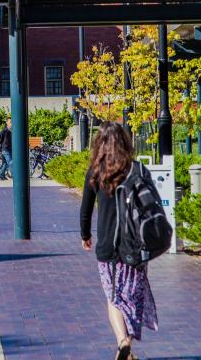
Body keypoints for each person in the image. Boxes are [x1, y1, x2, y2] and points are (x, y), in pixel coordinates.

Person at [79, 122, 158, 360]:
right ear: (125, 142)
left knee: (113, 298)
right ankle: (127, 347)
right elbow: (152, 206)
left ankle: (122, 341)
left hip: (107, 248)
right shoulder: (138, 170)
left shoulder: (95, 172)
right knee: (133, 298)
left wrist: (85, 236)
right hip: (135, 247)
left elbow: (85, 210)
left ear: (99, 144)